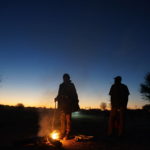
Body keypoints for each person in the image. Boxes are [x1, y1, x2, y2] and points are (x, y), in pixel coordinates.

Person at [55, 73, 79, 140]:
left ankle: (68, 133)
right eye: (64, 78)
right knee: (62, 119)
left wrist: (74, 101)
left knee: (68, 120)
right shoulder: (61, 85)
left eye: (66, 78)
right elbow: (59, 94)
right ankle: (62, 133)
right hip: (62, 105)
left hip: (69, 105)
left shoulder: (71, 85)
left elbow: (75, 94)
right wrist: (56, 98)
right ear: (63, 78)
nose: (65, 79)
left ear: (68, 78)